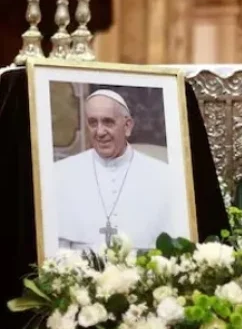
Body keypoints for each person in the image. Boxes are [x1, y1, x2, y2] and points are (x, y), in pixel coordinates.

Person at [54, 89, 180, 251]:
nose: (99, 132)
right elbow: (57, 250)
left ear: (127, 126)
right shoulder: (61, 174)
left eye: (108, 122)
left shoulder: (164, 176)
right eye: (93, 123)